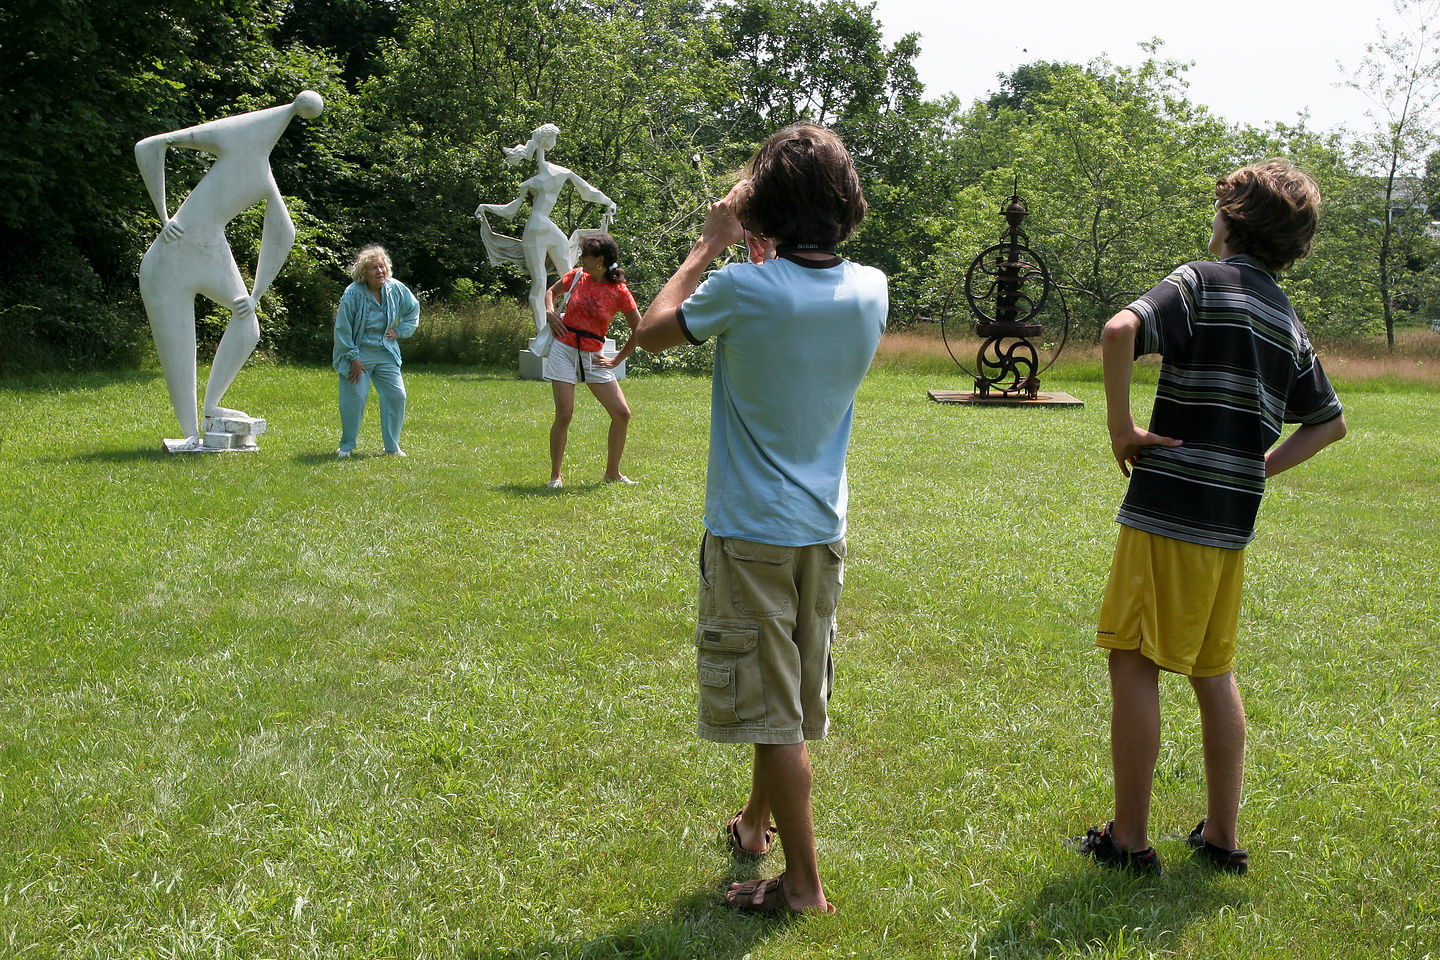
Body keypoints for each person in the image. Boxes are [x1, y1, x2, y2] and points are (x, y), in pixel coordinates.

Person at [634, 123, 888, 914]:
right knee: (792, 688)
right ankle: (754, 825)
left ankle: (804, 884)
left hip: (751, 533)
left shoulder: (744, 289)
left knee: (776, 716)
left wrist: (709, 244)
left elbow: (647, 335)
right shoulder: (872, 287)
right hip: (822, 529)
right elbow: (791, 317)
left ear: (766, 204)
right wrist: (759, 254)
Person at [1077, 160, 1347, 876]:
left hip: (1168, 507)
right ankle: (1223, 839)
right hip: (1230, 524)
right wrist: (1259, 467)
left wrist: (1120, 429)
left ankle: (1129, 841)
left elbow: (1117, 332)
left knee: (1133, 659)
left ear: (1230, 220)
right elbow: (1330, 424)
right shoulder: (1285, 320)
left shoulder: (1199, 280)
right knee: (1211, 668)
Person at [137, 91, 324, 449]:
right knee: (182, 353)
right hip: (170, 255)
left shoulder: (262, 175)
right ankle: (192, 431)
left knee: (248, 324)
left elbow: (285, 232)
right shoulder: (238, 140)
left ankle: (209, 411)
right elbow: (150, 146)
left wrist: (254, 294)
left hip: (208, 251)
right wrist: (163, 216)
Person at [476, 123, 617, 357]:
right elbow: (512, 210)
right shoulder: (543, 178)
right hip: (536, 229)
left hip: (542, 228)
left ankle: (575, 327)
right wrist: (486, 208)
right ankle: (544, 333)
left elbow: (587, 191)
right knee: (546, 281)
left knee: (570, 277)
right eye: (554, 138)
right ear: (546, 141)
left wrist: (607, 202)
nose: (555, 142)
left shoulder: (552, 175)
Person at [541, 233, 641, 487]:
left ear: (599, 260)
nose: (580, 259)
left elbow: (640, 330)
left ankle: (612, 473)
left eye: (585, 255)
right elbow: (550, 293)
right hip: (564, 349)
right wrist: (551, 314)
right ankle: (556, 477)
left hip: (594, 356)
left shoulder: (620, 291)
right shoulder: (576, 276)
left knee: (622, 414)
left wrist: (617, 359)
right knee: (564, 414)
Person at [332, 245, 420, 458]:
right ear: (364, 272)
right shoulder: (353, 293)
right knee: (355, 398)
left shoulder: (395, 288)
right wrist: (353, 357)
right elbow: (342, 328)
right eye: (373, 268)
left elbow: (413, 309)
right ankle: (346, 446)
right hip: (358, 355)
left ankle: (392, 447)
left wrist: (400, 331)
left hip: (386, 353)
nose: (380, 271)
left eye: (382, 266)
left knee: (397, 395)